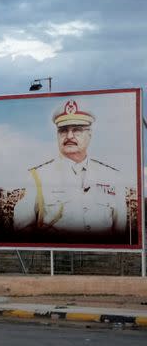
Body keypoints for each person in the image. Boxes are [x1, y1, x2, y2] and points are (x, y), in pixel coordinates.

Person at [13, 99, 127, 241]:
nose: (69, 136)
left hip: (101, 259)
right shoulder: (38, 177)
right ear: (57, 135)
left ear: (89, 135)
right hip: (57, 258)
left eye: (77, 130)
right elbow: (22, 227)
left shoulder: (112, 177)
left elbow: (120, 229)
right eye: (63, 130)